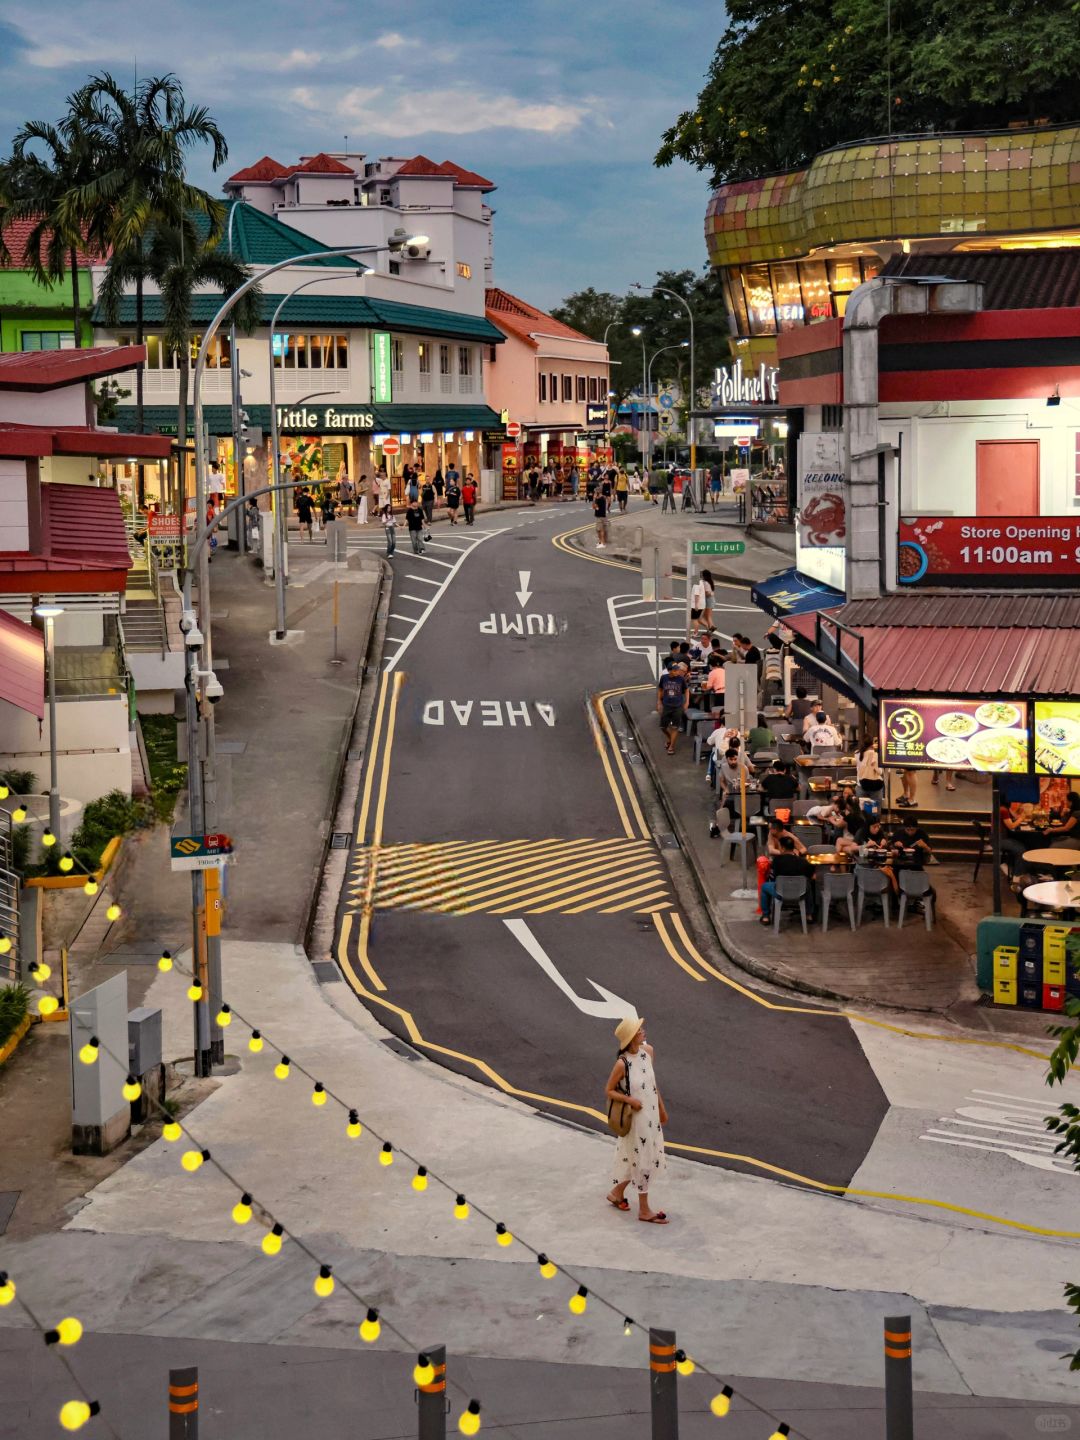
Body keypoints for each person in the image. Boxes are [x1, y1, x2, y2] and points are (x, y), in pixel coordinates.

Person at [606, 1016, 668, 1224]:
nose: (643, 1032)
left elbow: (652, 1084)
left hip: (650, 1116)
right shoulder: (622, 1064)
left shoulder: (648, 1052)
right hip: (636, 1120)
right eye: (640, 1030)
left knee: (631, 1157)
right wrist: (629, 1099)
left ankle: (616, 1192)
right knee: (643, 1160)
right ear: (632, 1038)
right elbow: (609, 1090)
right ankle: (644, 1209)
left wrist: (661, 1109)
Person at [759, 835, 815, 926]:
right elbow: (812, 877)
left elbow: (772, 877)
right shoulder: (803, 862)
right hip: (800, 894)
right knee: (808, 884)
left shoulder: (776, 861)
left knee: (764, 886)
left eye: (780, 847)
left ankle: (766, 916)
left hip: (781, 893)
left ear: (783, 848)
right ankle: (809, 915)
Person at [656, 663, 688, 755]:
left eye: (677, 670)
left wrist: (687, 702)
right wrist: (659, 702)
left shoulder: (681, 679)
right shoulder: (664, 678)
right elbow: (660, 689)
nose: (677, 672)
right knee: (663, 727)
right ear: (669, 671)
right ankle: (671, 739)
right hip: (666, 706)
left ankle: (672, 746)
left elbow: (686, 690)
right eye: (675, 670)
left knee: (675, 727)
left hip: (677, 706)